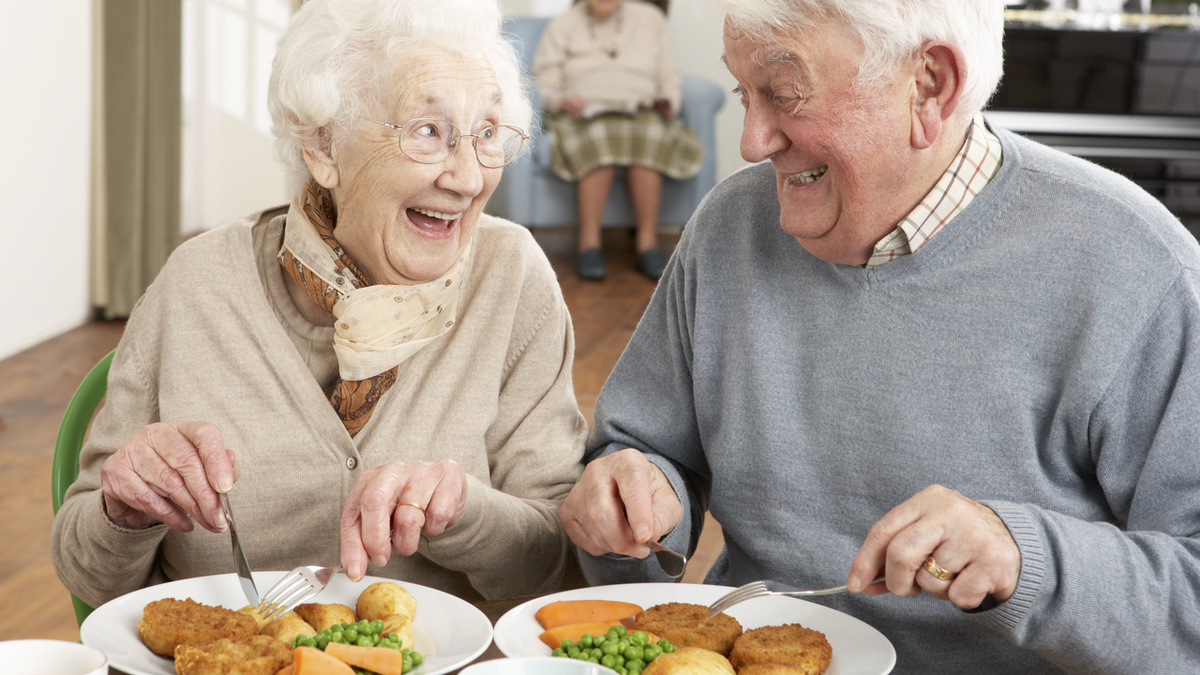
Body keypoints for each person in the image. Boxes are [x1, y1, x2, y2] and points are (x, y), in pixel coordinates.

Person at [559, 0, 1200, 672]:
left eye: (783, 93)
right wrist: (628, 497)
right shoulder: (727, 227)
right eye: (742, 92)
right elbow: (643, 449)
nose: (751, 141)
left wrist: (1025, 556)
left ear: (930, 86)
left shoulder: (1138, 266)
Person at [50, 0, 588, 608]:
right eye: (428, 131)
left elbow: (561, 567)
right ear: (323, 147)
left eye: (487, 134)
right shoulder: (196, 285)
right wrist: (124, 509)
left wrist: (466, 511)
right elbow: (89, 573)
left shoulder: (511, 277)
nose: (467, 178)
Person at [531, 0, 704, 281]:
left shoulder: (651, 19)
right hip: (584, 112)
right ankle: (589, 245)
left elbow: (669, 74)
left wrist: (668, 101)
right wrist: (561, 99)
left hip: (640, 109)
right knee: (599, 138)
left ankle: (647, 245)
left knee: (650, 137)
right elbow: (544, 81)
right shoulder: (562, 25)